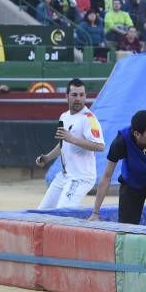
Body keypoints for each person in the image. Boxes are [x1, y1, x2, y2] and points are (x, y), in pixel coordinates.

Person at [35, 78, 105, 209]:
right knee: (41, 212)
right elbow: (63, 143)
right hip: (65, 175)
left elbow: (100, 146)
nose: (78, 98)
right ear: (66, 96)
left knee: (62, 213)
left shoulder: (89, 119)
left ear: (85, 96)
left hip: (81, 177)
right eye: (74, 95)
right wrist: (47, 157)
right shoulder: (64, 116)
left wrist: (72, 138)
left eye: (81, 95)